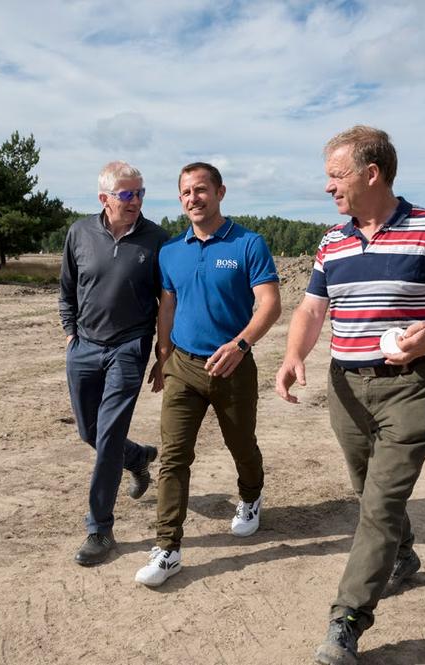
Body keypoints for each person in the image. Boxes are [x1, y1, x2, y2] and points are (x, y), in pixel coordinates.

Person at [275, 126, 425, 665]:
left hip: (411, 388)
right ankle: (404, 554)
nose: (328, 187)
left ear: (372, 173)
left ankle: (346, 620)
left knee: (380, 502)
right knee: (365, 485)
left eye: (336, 175)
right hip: (346, 387)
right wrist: (293, 354)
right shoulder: (332, 241)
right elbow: (311, 309)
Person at [134, 162, 282, 587]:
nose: (192, 198)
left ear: (220, 192)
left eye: (201, 190)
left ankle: (251, 498)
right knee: (174, 456)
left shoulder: (248, 244)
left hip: (233, 367)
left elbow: (269, 303)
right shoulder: (171, 251)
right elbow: (167, 306)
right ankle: (167, 549)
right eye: (185, 193)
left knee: (242, 446)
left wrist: (240, 345)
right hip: (183, 365)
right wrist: (163, 357)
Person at [59, 161, 171, 567]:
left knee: (107, 438)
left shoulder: (157, 240)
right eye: (127, 194)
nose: (135, 201)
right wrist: (70, 330)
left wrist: (162, 352)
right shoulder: (79, 233)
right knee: (89, 432)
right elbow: (67, 287)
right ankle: (138, 457)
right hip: (84, 348)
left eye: (140, 193)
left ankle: (99, 528)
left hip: (129, 348)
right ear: (104, 198)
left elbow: (167, 302)